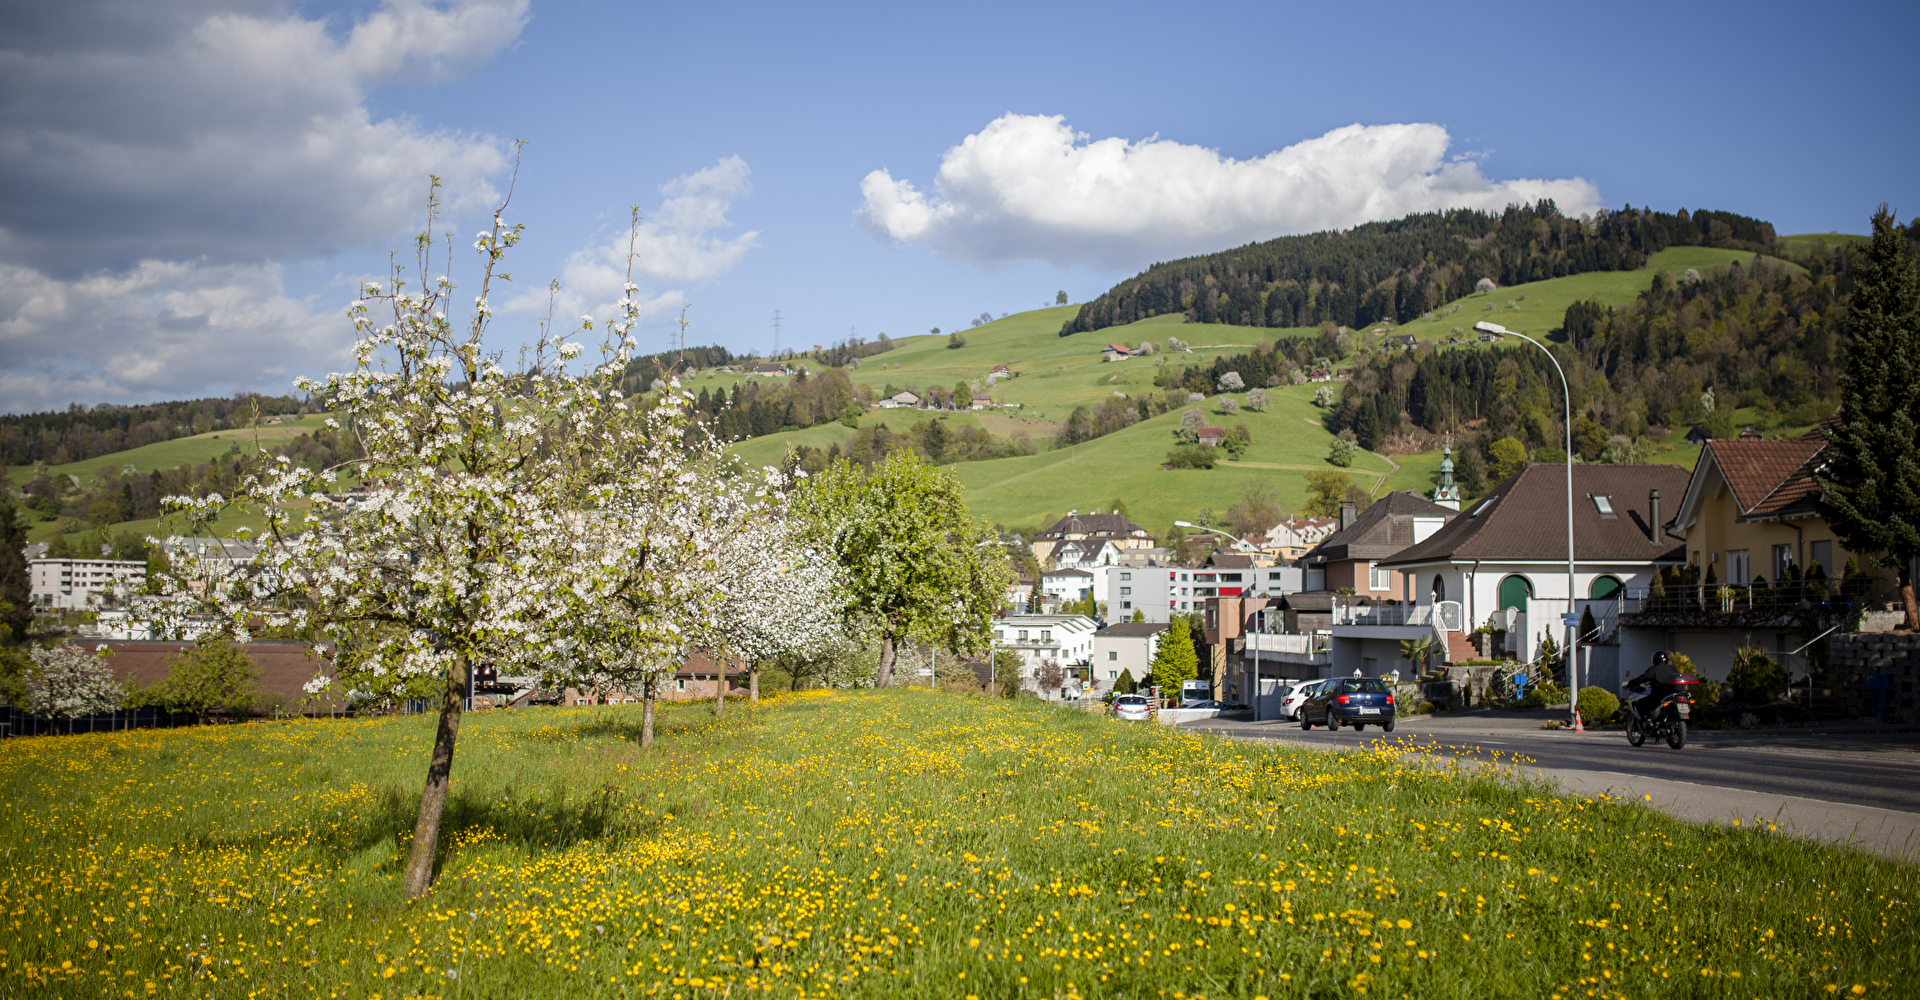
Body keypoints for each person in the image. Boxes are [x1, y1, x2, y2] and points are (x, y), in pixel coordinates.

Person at [1627, 651, 1684, 719]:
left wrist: (1631, 683)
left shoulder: (1654, 670)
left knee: (1640, 704)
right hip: (1672, 694)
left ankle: (1647, 721)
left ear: (1654, 660)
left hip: (1659, 695)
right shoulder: (1673, 669)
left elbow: (1643, 678)